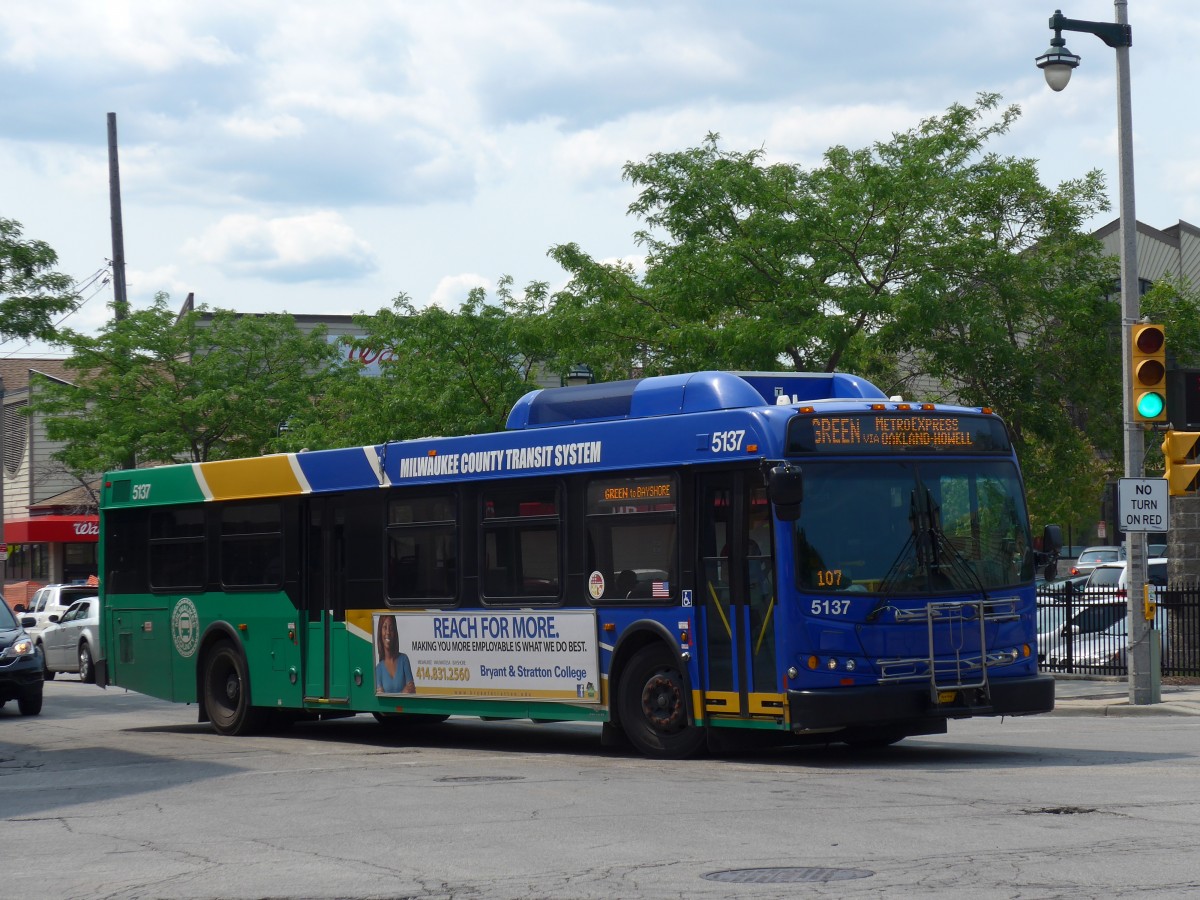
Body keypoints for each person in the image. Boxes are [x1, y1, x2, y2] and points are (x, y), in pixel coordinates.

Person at [375, 614, 415, 694]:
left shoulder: (404, 659)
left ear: (395, 633)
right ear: (380, 632)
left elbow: (412, 690)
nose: (388, 632)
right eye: (385, 627)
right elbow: (381, 698)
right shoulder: (378, 669)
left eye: (391, 628)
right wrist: (403, 692)